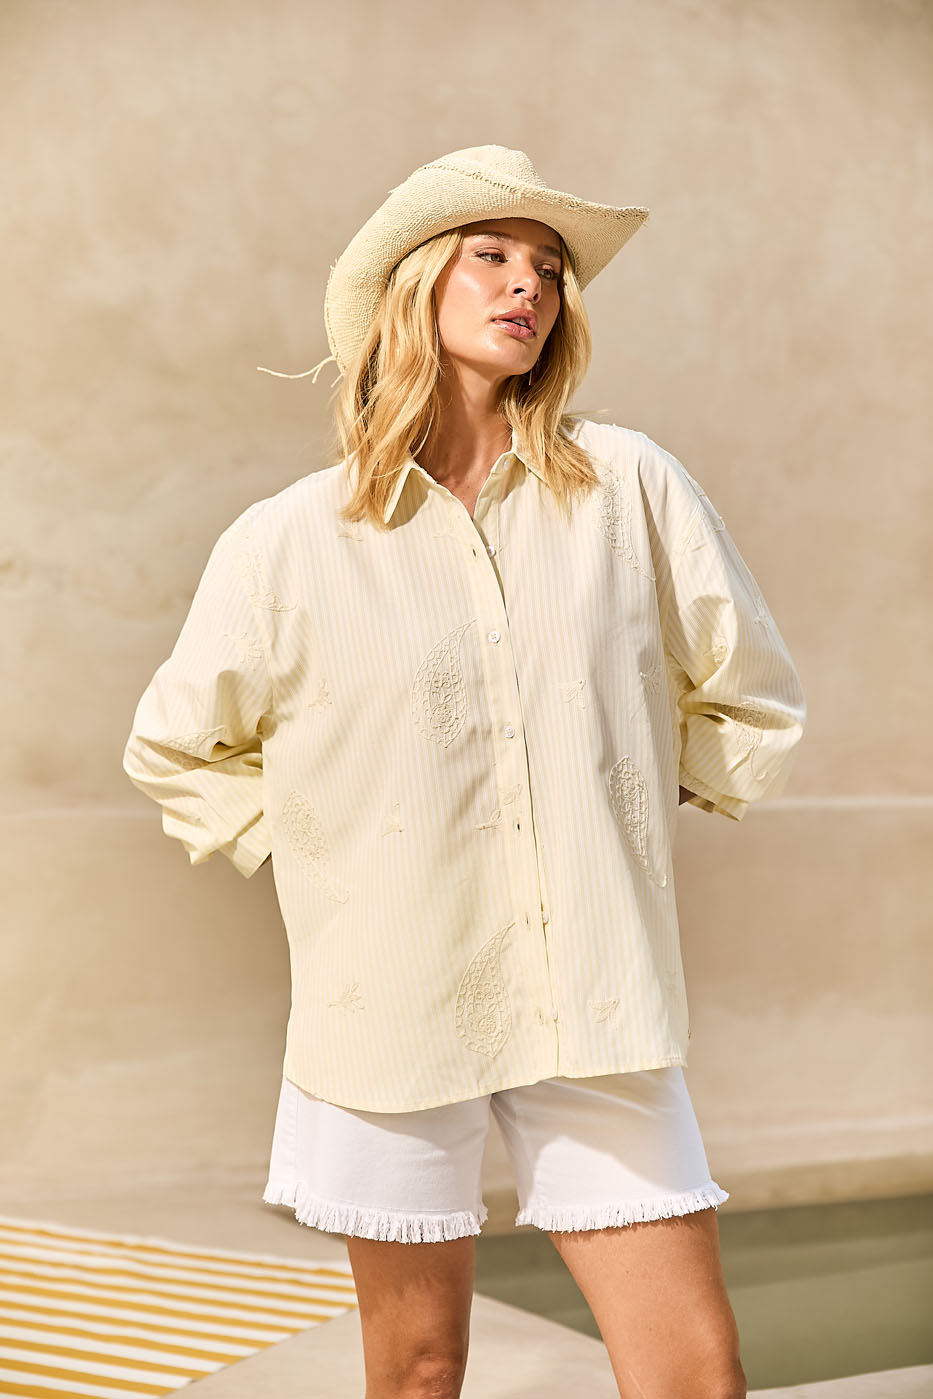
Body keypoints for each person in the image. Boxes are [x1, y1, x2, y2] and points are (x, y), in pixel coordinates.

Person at [123, 145, 806, 1399]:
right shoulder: (289, 542)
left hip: (595, 998)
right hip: (387, 1008)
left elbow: (751, 693)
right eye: (491, 255)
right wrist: (323, 852)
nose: (527, 284)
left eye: (547, 267)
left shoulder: (630, 489)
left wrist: (630, 802)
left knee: (694, 1375)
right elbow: (173, 746)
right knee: (421, 1370)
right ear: (415, 286)